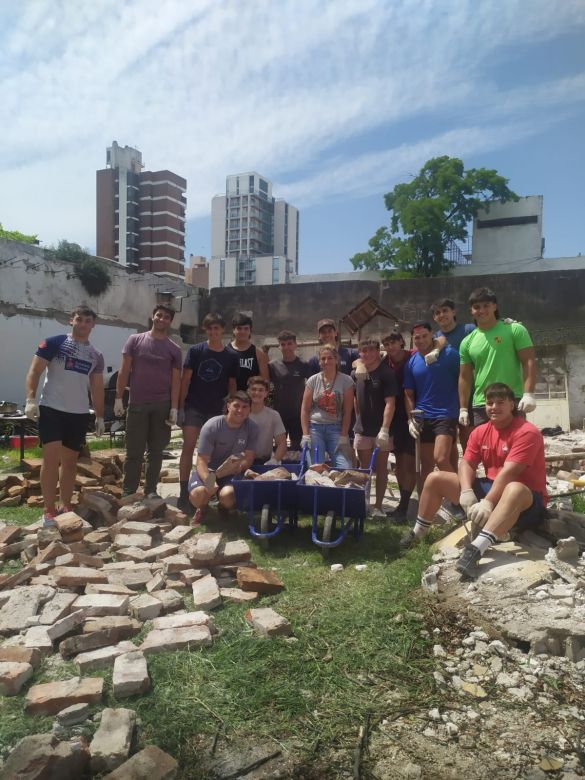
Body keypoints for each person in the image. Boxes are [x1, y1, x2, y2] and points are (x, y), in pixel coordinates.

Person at [400, 383, 548, 579]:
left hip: (527, 501)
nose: (494, 407)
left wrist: (488, 502)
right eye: (489, 403)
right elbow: (467, 463)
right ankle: (417, 535)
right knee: (436, 478)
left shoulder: (527, 432)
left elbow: (509, 473)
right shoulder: (480, 431)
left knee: (514, 489)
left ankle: (475, 550)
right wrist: (466, 492)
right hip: (493, 488)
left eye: (500, 402)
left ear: (512, 405)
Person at [24, 306, 105, 527]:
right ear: (72, 320)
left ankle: (65, 506)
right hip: (51, 409)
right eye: (79, 319)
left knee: (69, 463)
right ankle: (49, 510)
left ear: (93, 325)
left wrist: (100, 416)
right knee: (50, 460)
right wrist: (30, 399)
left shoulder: (96, 355)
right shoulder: (53, 343)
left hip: (78, 414)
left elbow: (97, 388)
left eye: (88, 321)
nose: (83, 324)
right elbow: (35, 371)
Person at [114, 305, 181, 498]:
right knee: (134, 451)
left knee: (156, 451)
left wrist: (174, 407)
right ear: (152, 317)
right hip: (137, 403)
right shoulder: (135, 340)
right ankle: (128, 492)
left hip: (162, 405)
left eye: (166, 317)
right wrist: (119, 397)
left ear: (170, 321)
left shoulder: (174, 349)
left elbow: (176, 380)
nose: (161, 319)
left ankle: (151, 491)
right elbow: (124, 370)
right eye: (159, 315)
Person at [177, 313, 238, 513]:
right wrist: (178, 408)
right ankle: (184, 492)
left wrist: (231, 409)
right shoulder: (196, 351)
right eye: (210, 328)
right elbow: (185, 380)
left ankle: (211, 489)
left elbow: (232, 385)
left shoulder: (229, 356)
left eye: (217, 328)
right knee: (188, 448)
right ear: (206, 330)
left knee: (211, 453)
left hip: (216, 410)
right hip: (194, 406)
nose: (214, 332)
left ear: (222, 330)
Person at [459, 287, 536, 427]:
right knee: (485, 448)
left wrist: (529, 393)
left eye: (486, 305)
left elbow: (528, 361)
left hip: (511, 400)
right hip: (482, 404)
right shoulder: (467, 342)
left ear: (494, 306)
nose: (481, 310)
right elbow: (464, 377)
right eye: (476, 307)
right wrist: (463, 408)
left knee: (515, 446)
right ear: (471, 310)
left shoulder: (515, 329)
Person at [403, 322, 460, 490]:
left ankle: (460, 499)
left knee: (441, 458)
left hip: (446, 414)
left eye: (424, 336)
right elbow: (408, 394)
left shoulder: (450, 355)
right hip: (422, 416)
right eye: (417, 337)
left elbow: (463, 380)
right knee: (426, 464)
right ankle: (425, 504)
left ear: (432, 335)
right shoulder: (411, 362)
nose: (421, 340)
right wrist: (410, 419)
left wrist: (462, 407)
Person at [188, 391, 259, 525]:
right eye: (236, 406)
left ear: (250, 409)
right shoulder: (212, 426)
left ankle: (223, 507)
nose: (240, 410)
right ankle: (202, 508)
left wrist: (240, 466)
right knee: (198, 495)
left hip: (231, 473)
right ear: (228, 406)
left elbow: (249, 457)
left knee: (228, 496)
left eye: (245, 407)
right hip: (210, 471)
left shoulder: (252, 428)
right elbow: (202, 461)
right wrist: (210, 481)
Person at [352, 338, 397, 518]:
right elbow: (356, 398)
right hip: (363, 429)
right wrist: (358, 420)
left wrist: (384, 429)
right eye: (364, 351)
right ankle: (364, 503)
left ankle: (378, 506)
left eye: (372, 350)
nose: (368, 354)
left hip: (381, 431)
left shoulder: (387, 373)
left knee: (381, 469)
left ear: (378, 351)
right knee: (364, 470)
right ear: (360, 352)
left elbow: (390, 403)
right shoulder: (357, 372)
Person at [301, 344, 354, 469]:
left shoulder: (346, 381)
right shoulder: (313, 380)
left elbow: (347, 411)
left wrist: (344, 435)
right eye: (323, 359)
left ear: (336, 360)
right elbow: (305, 409)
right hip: (315, 428)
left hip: (336, 428)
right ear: (319, 362)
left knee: (345, 467)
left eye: (330, 358)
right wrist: (305, 434)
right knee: (316, 468)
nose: (326, 361)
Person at [382, 331, 416, 522]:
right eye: (387, 343)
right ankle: (403, 504)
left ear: (401, 342)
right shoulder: (385, 361)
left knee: (409, 462)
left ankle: (404, 506)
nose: (391, 346)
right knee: (399, 462)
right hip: (394, 417)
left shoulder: (413, 357)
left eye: (393, 342)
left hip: (411, 414)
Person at [269, 330, 312, 451]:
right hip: (279, 415)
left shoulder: (304, 365)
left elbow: (312, 388)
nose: (286, 347)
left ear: (295, 345)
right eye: (283, 344)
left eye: (289, 343)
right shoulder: (272, 366)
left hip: (298, 415)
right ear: (279, 346)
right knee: (278, 448)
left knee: (297, 449)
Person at [247, 376, 287, 464]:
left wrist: (274, 460)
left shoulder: (273, 415)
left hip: (264, 461)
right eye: (253, 389)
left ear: (266, 393)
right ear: (248, 392)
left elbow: (282, 443)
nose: (257, 392)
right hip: (242, 461)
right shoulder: (240, 414)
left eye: (261, 390)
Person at [226, 312, 269, 391]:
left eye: (246, 329)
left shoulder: (259, 354)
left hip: (251, 400)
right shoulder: (225, 352)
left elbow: (264, 382)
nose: (242, 332)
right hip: (229, 400)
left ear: (250, 331)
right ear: (233, 330)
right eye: (239, 328)